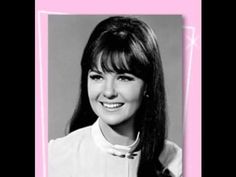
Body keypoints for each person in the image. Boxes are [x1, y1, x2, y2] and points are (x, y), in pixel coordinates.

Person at [48, 16, 182, 177]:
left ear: (148, 84)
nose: (109, 92)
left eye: (124, 78)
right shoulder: (54, 157)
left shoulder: (177, 163)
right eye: (97, 77)